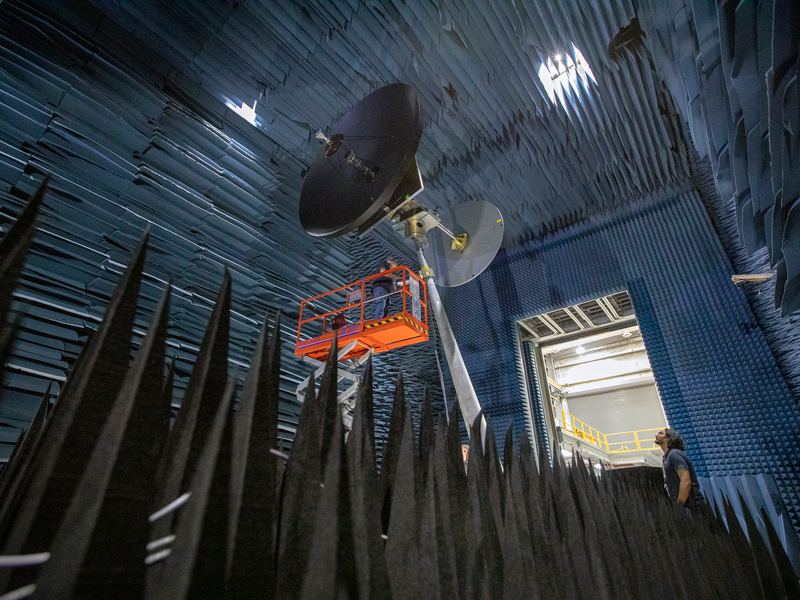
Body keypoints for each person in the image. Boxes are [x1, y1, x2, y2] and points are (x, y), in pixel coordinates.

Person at [655, 428, 705, 513]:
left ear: (668, 438)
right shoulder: (667, 457)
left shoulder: (674, 454)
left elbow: (686, 481)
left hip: (690, 505)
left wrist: (679, 505)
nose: (656, 435)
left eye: (660, 433)